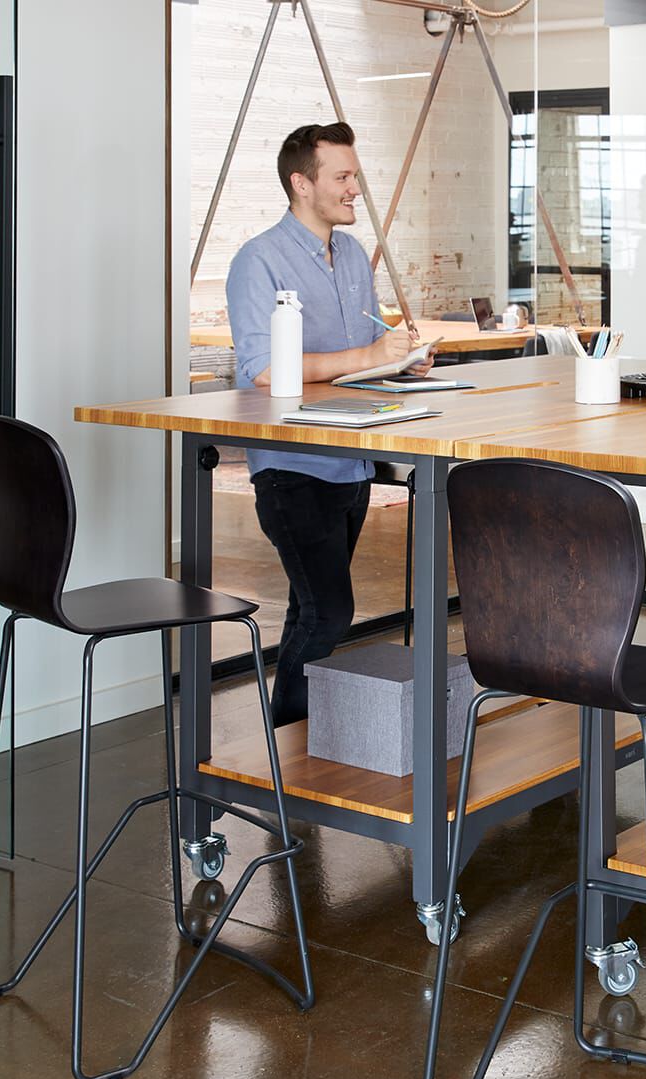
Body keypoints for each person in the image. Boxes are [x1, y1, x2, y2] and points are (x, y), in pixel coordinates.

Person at [226, 121, 432, 726]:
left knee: (309, 606)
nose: (354, 190)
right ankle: (287, 733)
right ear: (301, 183)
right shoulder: (258, 260)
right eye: (342, 177)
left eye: (355, 177)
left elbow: (362, 352)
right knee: (328, 612)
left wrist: (400, 359)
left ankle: (289, 748)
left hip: (351, 462)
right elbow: (264, 370)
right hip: (291, 466)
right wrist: (369, 357)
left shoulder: (350, 259)